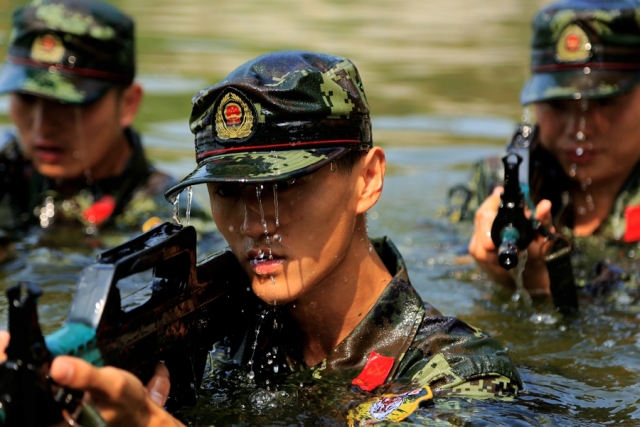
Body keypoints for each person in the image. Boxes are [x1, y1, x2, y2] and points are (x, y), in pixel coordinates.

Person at [0, 51, 521, 425]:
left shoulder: (461, 373)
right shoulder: (220, 335)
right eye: (227, 191)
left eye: (286, 185)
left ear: (367, 180)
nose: (251, 223)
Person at [462, 0, 640, 297]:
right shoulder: (498, 179)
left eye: (604, 102)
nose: (580, 127)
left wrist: (543, 287)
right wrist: (484, 263)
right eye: (558, 104)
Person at [0, 0, 177, 263]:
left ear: (128, 103)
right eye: (27, 98)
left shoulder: (168, 221)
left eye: (68, 103)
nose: (42, 124)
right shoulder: (7, 176)